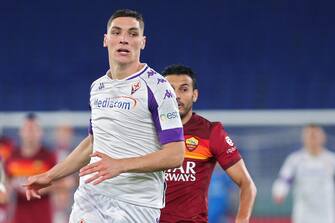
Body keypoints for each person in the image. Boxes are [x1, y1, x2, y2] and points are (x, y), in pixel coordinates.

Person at [24, 9, 185, 223]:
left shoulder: (158, 87)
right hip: (91, 195)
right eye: (117, 33)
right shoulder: (97, 87)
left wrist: (121, 165)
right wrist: (50, 176)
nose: (124, 40)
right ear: (106, 40)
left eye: (132, 34)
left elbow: (175, 155)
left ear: (143, 42)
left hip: (136, 204)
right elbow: (93, 142)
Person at [160, 64, 257, 223]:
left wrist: (242, 220)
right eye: (169, 90)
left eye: (184, 89)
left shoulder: (211, 132)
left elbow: (247, 184)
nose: (176, 95)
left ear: (194, 95)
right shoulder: (146, 130)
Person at [272, 124, 335, 223]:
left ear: (323, 138)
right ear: (304, 138)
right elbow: (284, 179)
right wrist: (280, 191)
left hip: (326, 215)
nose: (312, 139)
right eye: (309, 136)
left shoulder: (331, 160)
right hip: (303, 215)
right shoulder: (295, 160)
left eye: (315, 136)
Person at [5, 113, 56, 223]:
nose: (30, 133)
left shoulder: (49, 157)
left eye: (34, 129)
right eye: (27, 129)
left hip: (42, 217)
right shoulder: (11, 157)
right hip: (18, 217)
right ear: (21, 131)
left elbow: (63, 182)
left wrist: (36, 188)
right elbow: (5, 184)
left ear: (40, 132)